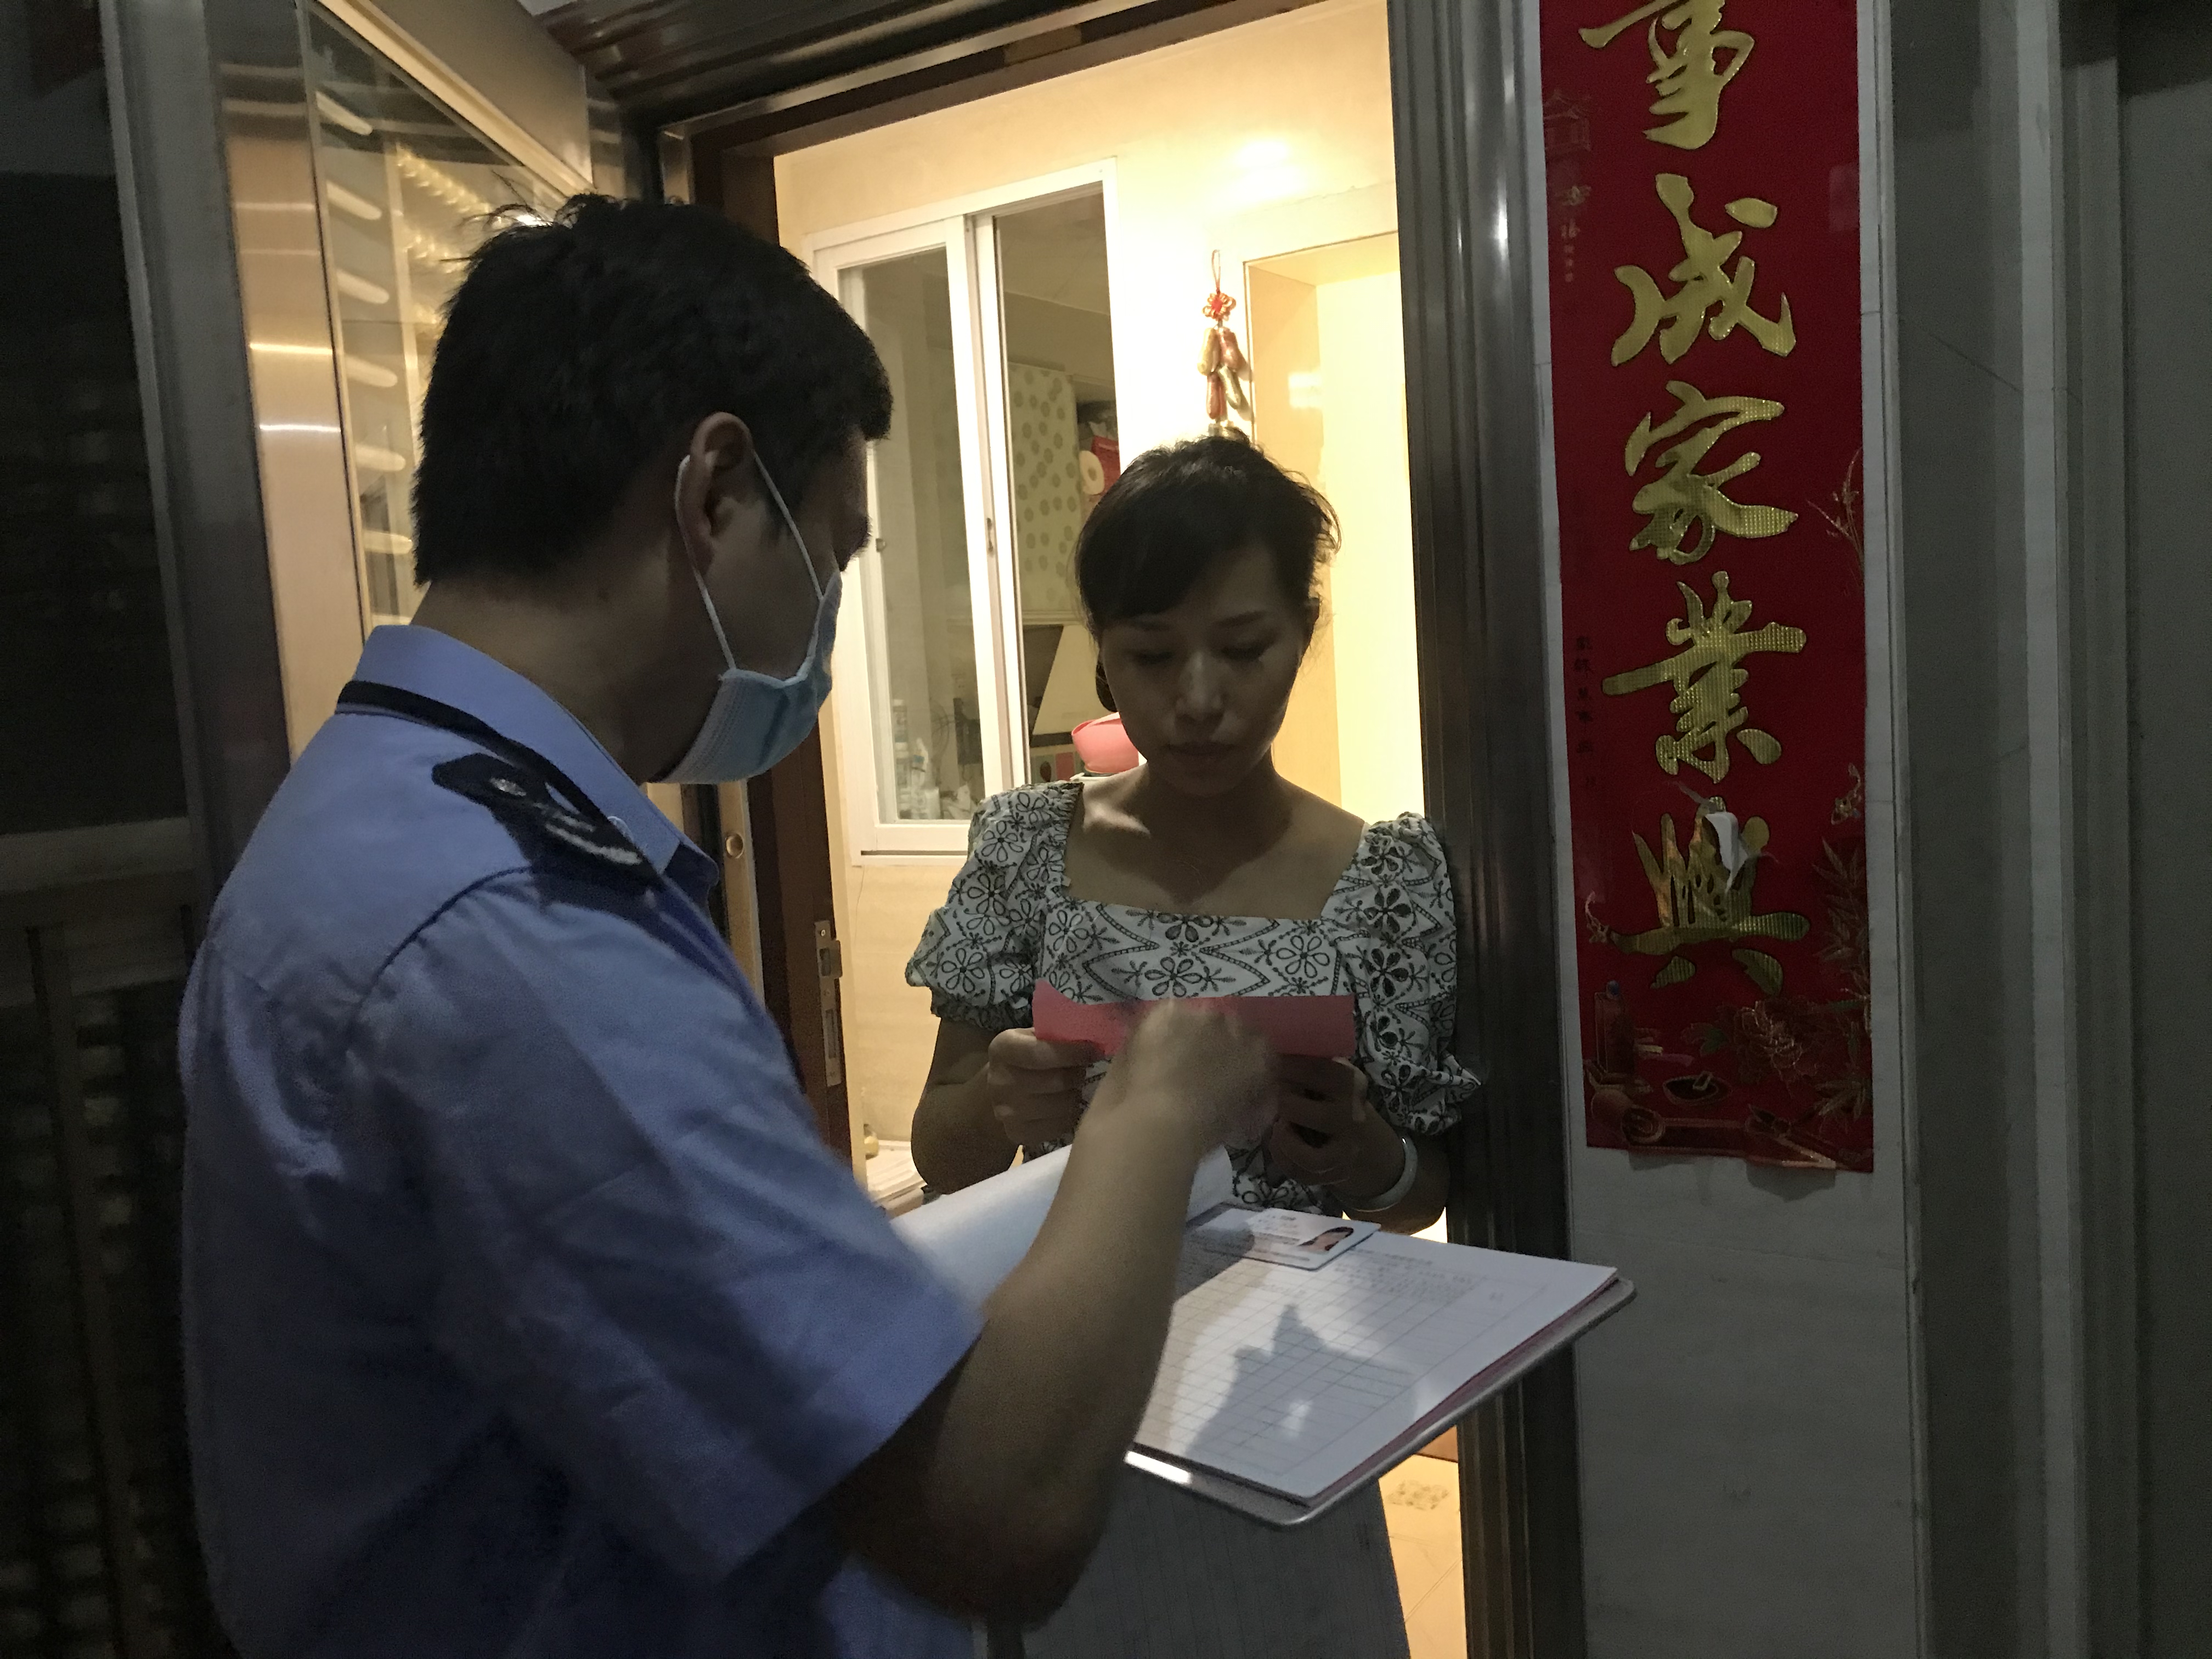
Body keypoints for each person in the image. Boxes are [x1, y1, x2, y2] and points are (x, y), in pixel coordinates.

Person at [177, 196, 1275, 1659]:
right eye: (832, 555)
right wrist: (1157, 1117)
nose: (823, 627)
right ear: (710, 497)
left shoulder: (381, 813)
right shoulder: (513, 936)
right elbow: (996, 1511)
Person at [904, 435, 1479, 1657]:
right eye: (1154, 656)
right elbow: (942, 1151)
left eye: (1244, 648)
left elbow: (1421, 1192)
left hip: (1290, 1397)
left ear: (1303, 636)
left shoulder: (1384, 878)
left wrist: (1368, 1153)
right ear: (1104, 652)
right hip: (1056, 1376)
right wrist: (1001, 1101)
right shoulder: (1027, 849)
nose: (1200, 698)